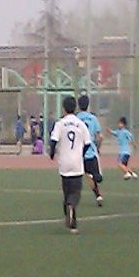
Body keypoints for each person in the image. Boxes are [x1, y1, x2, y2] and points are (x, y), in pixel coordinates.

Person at [49, 96, 92, 234]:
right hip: (77, 163)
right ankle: (71, 209)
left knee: (67, 192)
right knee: (75, 193)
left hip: (64, 163)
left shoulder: (60, 124)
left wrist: (52, 154)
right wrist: (81, 153)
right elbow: (88, 143)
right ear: (75, 108)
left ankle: (71, 220)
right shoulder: (80, 124)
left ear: (63, 108)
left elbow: (53, 141)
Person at [76, 95, 104, 206]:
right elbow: (100, 137)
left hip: (79, 152)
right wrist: (98, 147)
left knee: (86, 174)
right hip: (91, 151)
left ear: (78, 105)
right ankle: (98, 189)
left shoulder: (76, 119)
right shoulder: (93, 118)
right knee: (94, 175)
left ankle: (97, 194)